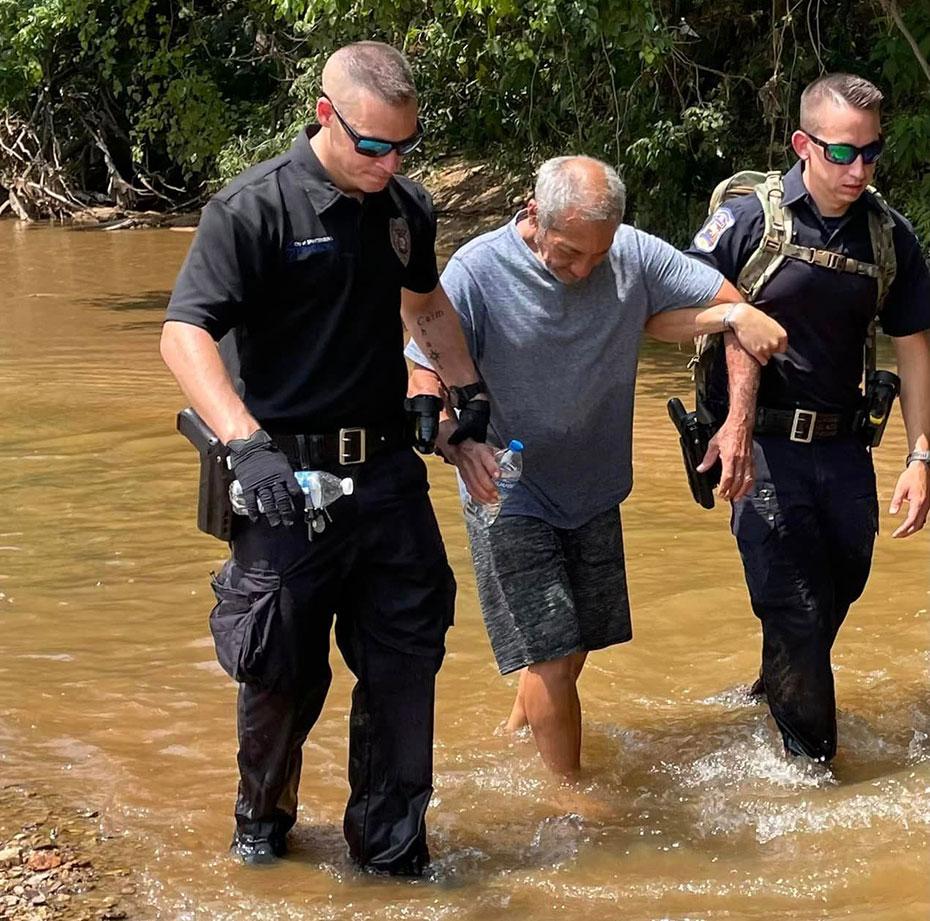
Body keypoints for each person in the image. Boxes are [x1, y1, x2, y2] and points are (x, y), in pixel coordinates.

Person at [160, 41, 491, 874]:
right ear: (324, 116)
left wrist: (467, 395)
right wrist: (246, 445)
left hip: (384, 477)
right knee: (281, 673)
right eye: (371, 144)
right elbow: (183, 332)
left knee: (406, 659)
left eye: (403, 147)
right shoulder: (252, 210)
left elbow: (427, 304)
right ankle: (263, 833)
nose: (389, 162)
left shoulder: (404, 209)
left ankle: (391, 851)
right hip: (285, 485)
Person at [406, 155, 787, 777]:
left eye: (596, 254)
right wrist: (453, 441)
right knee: (554, 656)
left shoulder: (629, 253)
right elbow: (425, 364)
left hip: (593, 487)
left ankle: (511, 739)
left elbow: (718, 301)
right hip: (507, 486)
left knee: (571, 648)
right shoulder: (478, 269)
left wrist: (735, 313)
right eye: (569, 252)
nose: (584, 269)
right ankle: (568, 801)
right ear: (533, 214)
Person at [685, 73, 930, 762]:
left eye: (872, 153)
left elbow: (913, 348)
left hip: (845, 451)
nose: (860, 169)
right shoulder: (746, 221)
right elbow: (663, 311)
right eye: (843, 153)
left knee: (836, 589)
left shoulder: (889, 236)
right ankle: (811, 769)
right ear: (803, 144)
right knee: (795, 607)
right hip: (762, 446)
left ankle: (772, 689)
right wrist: (735, 313)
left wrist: (920, 456)